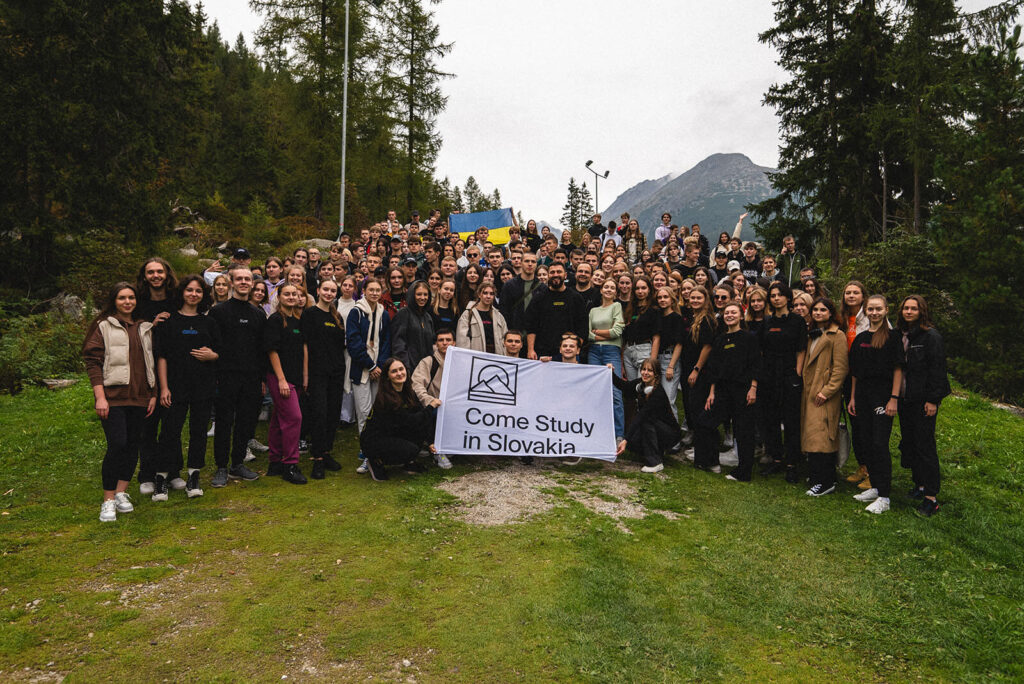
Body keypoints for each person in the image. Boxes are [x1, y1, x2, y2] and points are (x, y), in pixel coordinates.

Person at [83, 283, 158, 521]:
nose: (127, 302)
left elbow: (152, 361)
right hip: (113, 398)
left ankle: (121, 493)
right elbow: (93, 362)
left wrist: (153, 393)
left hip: (141, 397)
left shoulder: (145, 327)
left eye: (131, 297)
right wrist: (100, 397)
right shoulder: (103, 326)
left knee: (133, 444)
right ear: (114, 301)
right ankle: (107, 500)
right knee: (117, 444)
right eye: (122, 298)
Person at [153, 276, 221, 501]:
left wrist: (213, 355)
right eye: (190, 290)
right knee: (170, 432)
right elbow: (161, 357)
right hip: (175, 385)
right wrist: (163, 388)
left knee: (198, 432)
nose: (194, 294)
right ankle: (162, 478)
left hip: (203, 385)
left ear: (204, 295)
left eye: (198, 291)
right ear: (182, 292)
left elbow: (221, 352)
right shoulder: (169, 321)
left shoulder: (209, 322)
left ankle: (194, 476)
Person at [207, 268, 264, 487]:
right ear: (231, 283)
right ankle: (221, 467)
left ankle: (237, 463)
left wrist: (260, 380)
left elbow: (261, 350)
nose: (243, 282)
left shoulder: (258, 314)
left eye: (247, 279)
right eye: (239, 279)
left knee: (245, 421)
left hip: (250, 377)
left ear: (252, 283)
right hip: (225, 376)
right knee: (223, 422)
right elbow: (212, 344)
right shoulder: (219, 312)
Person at [848, 295, 904, 514]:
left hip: (883, 397)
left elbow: (898, 369)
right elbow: (855, 372)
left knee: (880, 444)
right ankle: (876, 486)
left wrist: (894, 398)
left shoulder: (893, 337)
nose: (874, 313)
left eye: (878, 309)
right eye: (870, 309)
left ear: (886, 310)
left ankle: (885, 497)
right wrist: (852, 397)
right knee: (867, 442)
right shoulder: (861, 337)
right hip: (862, 395)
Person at [897, 295, 950, 517]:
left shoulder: (930, 337)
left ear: (922, 311)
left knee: (925, 446)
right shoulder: (903, 335)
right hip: (904, 398)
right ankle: (918, 485)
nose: (909, 312)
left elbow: (937, 370)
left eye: (913, 309)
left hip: (922, 400)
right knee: (910, 443)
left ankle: (931, 497)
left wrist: (933, 400)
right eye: (906, 308)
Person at [701, 302, 760, 481]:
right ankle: (712, 462)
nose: (730, 315)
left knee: (743, 431)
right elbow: (713, 368)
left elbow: (756, 364)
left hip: (743, 389)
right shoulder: (720, 339)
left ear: (741, 316)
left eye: (734, 312)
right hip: (722, 389)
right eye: (727, 313)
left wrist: (753, 388)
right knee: (705, 421)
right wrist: (711, 392)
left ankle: (743, 472)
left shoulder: (749, 338)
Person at [134, 257, 178, 495]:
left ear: (166, 273)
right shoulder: (138, 302)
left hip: (175, 368)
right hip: (145, 369)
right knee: (148, 425)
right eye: (151, 272)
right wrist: (151, 324)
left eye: (159, 271)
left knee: (173, 424)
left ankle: (172, 471)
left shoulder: (176, 300)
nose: (156, 276)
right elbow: (131, 333)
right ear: (145, 276)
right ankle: (147, 474)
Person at [801, 297, 849, 496]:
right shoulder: (812, 334)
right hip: (808, 392)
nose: (818, 313)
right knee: (812, 436)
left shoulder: (837, 336)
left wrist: (827, 391)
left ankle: (826, 481)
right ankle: (816, 476)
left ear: (831, 313)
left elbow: (840, 368)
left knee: (823, 437)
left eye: (823, 310)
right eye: (815, 310)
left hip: (823, 394)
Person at [759, 282, 807, 482]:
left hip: (789, 374)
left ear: (788, 298)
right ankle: (776, 459)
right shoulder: (767, 321)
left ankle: (792, 463)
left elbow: (801, 349)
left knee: (791, 421)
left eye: (780, 295)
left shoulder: (797, 321)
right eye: (772, 295)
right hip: (770, 375)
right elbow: (762, 348)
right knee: (771, 419)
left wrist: (796, 373)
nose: (776, 298)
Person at [360, 358, 437, 481]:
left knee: (419, 429)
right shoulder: (386, 399)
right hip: (374, 440)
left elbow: (419, 416)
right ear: (387, 376)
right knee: (411, 449)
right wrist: (431, 406)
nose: (399, 373)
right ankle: (376, 461)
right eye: (394, 371)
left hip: (394, 432)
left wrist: (431, 441)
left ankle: (409, 463)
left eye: (401, 369)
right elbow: (412, 421)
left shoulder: (409, 392)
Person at [302, 279, 347, 480]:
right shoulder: (310, 314)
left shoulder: (336, 316)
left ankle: (327, 452)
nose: (329, 293)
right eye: (326, 289)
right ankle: (318, 458)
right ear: (318, 290)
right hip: (317, 372)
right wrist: (305, 374)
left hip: (336, 372)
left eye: (332, 291)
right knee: (319, 414)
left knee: (332, 414)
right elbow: (303, 345)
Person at [263, 283, 308, 485]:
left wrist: (305, 376)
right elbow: (271, 351)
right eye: (287, 294)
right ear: (279, 297)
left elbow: (302, 350)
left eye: (295, 294)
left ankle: (274, 461)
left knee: (278, 419)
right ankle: (290, 464)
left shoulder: (298, 320)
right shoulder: (275, 320)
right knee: (294, 418)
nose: (291, 297)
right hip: (279, 377)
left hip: (296, 377)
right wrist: (281, 379)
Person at [347, 278, 391, 474]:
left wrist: (379, 365)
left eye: (378, 290)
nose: (374, 293)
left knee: (377, 411)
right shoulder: (356, 312)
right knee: (364, 413)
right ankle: (366, 454)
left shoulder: (383, 313)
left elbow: (386, 341)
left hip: (378, 370)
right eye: (371, 289)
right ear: (363, 290)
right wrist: (370, 365)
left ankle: (377, 450)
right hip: (361, 368)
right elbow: (354, 343)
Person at [610, 358, 679, 474]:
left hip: (670, 433)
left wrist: (625, 439)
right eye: (643, 369)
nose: (645, 373)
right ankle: (657, 451)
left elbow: (641, 416)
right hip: (655, 427)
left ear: (656, 374)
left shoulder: (658, 393)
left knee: (645, 421)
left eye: (650, 370)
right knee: (633, 441)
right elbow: (624, 386)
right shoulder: (640, 384)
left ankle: (655, 462)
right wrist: (610, 373)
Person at [840, 280, 872, 488]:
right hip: (847, 376)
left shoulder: (871, 317)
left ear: (863, 296)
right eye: (848, 293)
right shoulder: (843, 319)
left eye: (855, 292)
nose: (851, 296)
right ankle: (862, 466)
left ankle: (873, 470)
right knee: (856, 423)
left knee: (868, 425)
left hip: (867, 378)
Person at [588, 278, 626, 443]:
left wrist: (597, 332)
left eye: (612, 287)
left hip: (611, 352)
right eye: (606, 287)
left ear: (616, 293)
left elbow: (617, 331)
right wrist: (602, 333)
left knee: (615, 392)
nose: (609, 289)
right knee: (595, 391)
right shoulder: (593, 311)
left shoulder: (616, 306)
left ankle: (618, 434)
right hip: (594, 352)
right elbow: (588, 334)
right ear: (601, 290)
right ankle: (595, 431)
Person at [524, 263, 587, 359]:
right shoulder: (539, 298)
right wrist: (530, 350)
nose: (555, 275)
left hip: (569, 353)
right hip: (542, 352)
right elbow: (531, 325)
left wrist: (576, 348)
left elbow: (583, 326)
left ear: (565, 275)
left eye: (559, 272)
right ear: (548, 275)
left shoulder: (576, 298)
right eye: (552, 272)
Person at [412, 328, 454, 469]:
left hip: (454, 405)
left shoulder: (460, 362)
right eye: (441, 340)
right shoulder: (428, 362)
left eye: (448, 340)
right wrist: (428, 400)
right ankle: (438, 452)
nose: (445, 343)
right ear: (436, 344)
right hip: (434, 404)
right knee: (436, 414)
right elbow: (417, 383)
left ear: (454, 343)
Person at [622, 276, 661, 380]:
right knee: (633, 388)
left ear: (649, 289)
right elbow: (624, 337)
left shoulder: (654, 310)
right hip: (628, 351)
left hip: (644, 350)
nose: (640, 291)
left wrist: (652, 361)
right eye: (637, 288)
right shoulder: (629, 309)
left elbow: (656, 337)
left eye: (643, 288)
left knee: (644, 387)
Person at [391, 280, 435, 372]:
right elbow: (398, 343)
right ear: (412, 295)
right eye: (419, 294)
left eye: (425, 294)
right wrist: (406, 367)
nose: (422, 298)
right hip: (408, 368)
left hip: (424, 370)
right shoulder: (404, 313)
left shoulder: (428, 318)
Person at [654, 286, 684, 423]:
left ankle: (675, 441)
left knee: (668, 400)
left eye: (665, 297)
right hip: (657, 359)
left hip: (670, 359)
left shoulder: (677, 318)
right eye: (659, 297)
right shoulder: (658, 317)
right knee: (657, 400)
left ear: (672, 300)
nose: (662, 300)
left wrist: (671, 366)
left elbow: (679, 344)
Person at [457, 282, 509, 354]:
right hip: (475, 356)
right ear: (479, 294)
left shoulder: (499, 316)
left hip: (496, 356)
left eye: (491, 294)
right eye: (485, 293)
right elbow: (462, 341)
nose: (488, 296)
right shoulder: (468, 314)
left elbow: (505, 339)